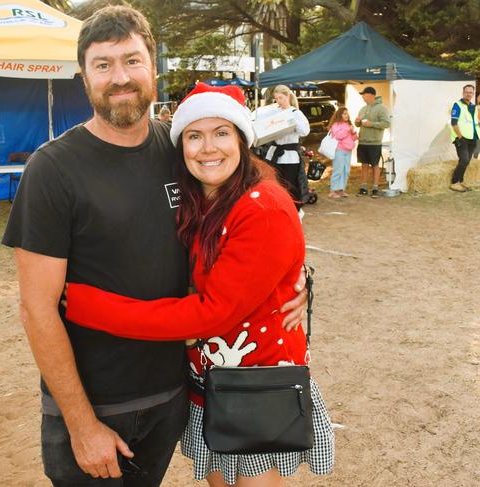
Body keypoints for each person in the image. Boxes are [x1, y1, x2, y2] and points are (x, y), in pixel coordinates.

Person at [1, 6, 308, 486]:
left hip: (175, 395)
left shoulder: (181, 149)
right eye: (103, 64)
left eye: (131, 60)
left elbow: (245, 231)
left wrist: (297, 281)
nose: (119, 77)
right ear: (84, 77)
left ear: (153, 69)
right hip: (97, 405)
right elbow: (36, 309)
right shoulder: (53, 168)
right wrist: (81, 425)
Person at [64, 82, 335, 487]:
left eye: (221, 133)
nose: (208, 148)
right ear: (181, 146)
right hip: (211, 384)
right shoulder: (200, 199)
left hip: (256, 390)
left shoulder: (262, 207)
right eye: (195, 135)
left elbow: (211, 313)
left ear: (243, 140)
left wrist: (89, 307)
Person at [264, 85, 310, 209]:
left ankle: (291, 209)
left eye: (281, 98)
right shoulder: (273, 112)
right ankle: (276, 208)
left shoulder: (296, 113)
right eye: (276, 98)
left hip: (290, 157)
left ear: (288, 96)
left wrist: (292, 121)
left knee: (290, 185)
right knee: (275, 184)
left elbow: (305, 131)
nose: (279, 101)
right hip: (274, 154)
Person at [354, 87, 390, 198]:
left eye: (364, 94)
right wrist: (357, 122)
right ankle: (363, 188)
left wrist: (372, 124)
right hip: (363, 141)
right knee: (364, 165)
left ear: (371, 95)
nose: (362, 96)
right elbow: (357, 124)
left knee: (375, 165)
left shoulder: (381, 108)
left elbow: (386, 123)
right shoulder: (363, 109)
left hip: (374, 142)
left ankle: (375, 188)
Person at [449, 84, 478, 192]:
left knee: (466, 161)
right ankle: (454, 182)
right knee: (464, 160)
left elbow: (474, 123)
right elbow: (454, 123)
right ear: (463, 92)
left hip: (472, 138)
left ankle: (460, 181)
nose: (468, 94)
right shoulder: (457, 105)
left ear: (473, 93)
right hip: (461, 138)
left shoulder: (473, 106)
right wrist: (460, 138)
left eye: (470, 92)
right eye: (466, 92)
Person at [327, 107, 357, 198]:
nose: (346, 115)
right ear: (339, 114)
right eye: (344, 113)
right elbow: (338, 136)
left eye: (347, 113)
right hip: (339, 150)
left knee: (346, 170)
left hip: (348, 150)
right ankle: (333, 191)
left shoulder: (348, 125)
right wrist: (347, 130)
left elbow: (354, 138)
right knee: (338, 170)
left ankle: (341, 189)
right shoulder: (335, 125)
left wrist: (353, 133)